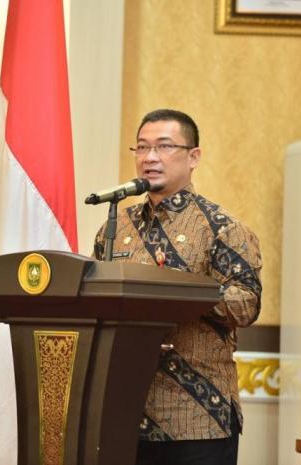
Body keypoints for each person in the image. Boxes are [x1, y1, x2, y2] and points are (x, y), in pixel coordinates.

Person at [93, 109, 262, 465]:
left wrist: (180, 293)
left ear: (193, 157)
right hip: (124, 413)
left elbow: (247, 304)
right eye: (142, 147)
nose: (150, 157)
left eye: (164, 146)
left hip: (196, 416)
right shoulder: (115, 227)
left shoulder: (221, 227)